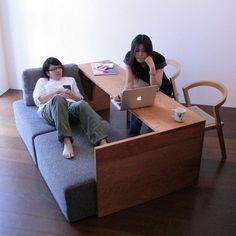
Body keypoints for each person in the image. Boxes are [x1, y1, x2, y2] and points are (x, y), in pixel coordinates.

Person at [33, 57, 108, 159]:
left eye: (60, 67)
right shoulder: (42, 81)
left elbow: (80, 98)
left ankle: (102, 142)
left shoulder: (70, 80)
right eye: (54, 69)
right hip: (50, 110)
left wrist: (71, 95)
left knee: (82, 104)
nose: (58, 70)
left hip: (70, 107)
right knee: (59, 99)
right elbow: (39, 100)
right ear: (47, 73)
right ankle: (67, 142)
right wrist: (57, 92)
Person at [119, 34, 173, 137]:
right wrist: (125, 95)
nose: (140, 54)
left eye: (144, 51)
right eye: (137, 50)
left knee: (150, 105)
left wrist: (152, 68)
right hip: (144, 85)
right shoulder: (129, 57)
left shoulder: (158, 58)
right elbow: (129, 82)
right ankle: (133, 135)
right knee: (137, 102)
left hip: (162, 88)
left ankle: (157, 132)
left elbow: (156, 87)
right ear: (133, 50)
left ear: (149, 51)